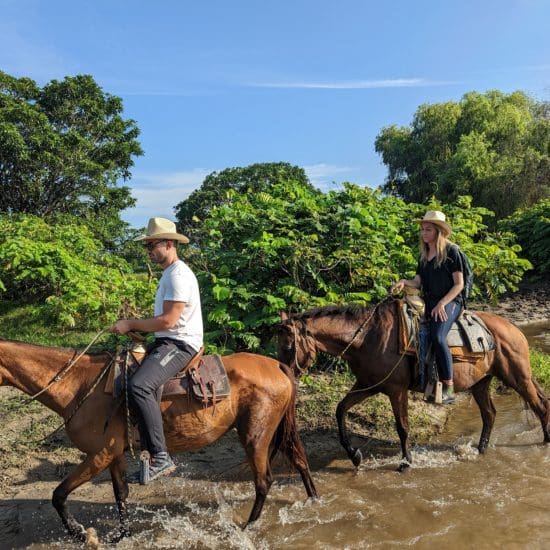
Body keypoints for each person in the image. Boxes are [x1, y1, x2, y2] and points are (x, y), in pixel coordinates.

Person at [110, 217, 203, 483]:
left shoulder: (178, 275)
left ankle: (161, 457)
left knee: (139, 385)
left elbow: (169, 321)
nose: (148, 250)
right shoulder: (169, 273)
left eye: (152, 244)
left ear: (170, 244)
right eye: (147, 246)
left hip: (180, 343)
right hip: (168, 339)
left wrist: (129, 323)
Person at [390, 210, 464, 405]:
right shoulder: (424, 256)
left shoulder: (451, 252)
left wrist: (442, 303)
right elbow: (418, 282)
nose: (424, 233)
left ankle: (448, 386)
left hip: (451, 301)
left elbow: (459, 284)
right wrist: (403, 282)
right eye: (422, 229)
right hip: (430, 301)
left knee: (438, 336)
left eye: (428, 229)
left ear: (438, 231)